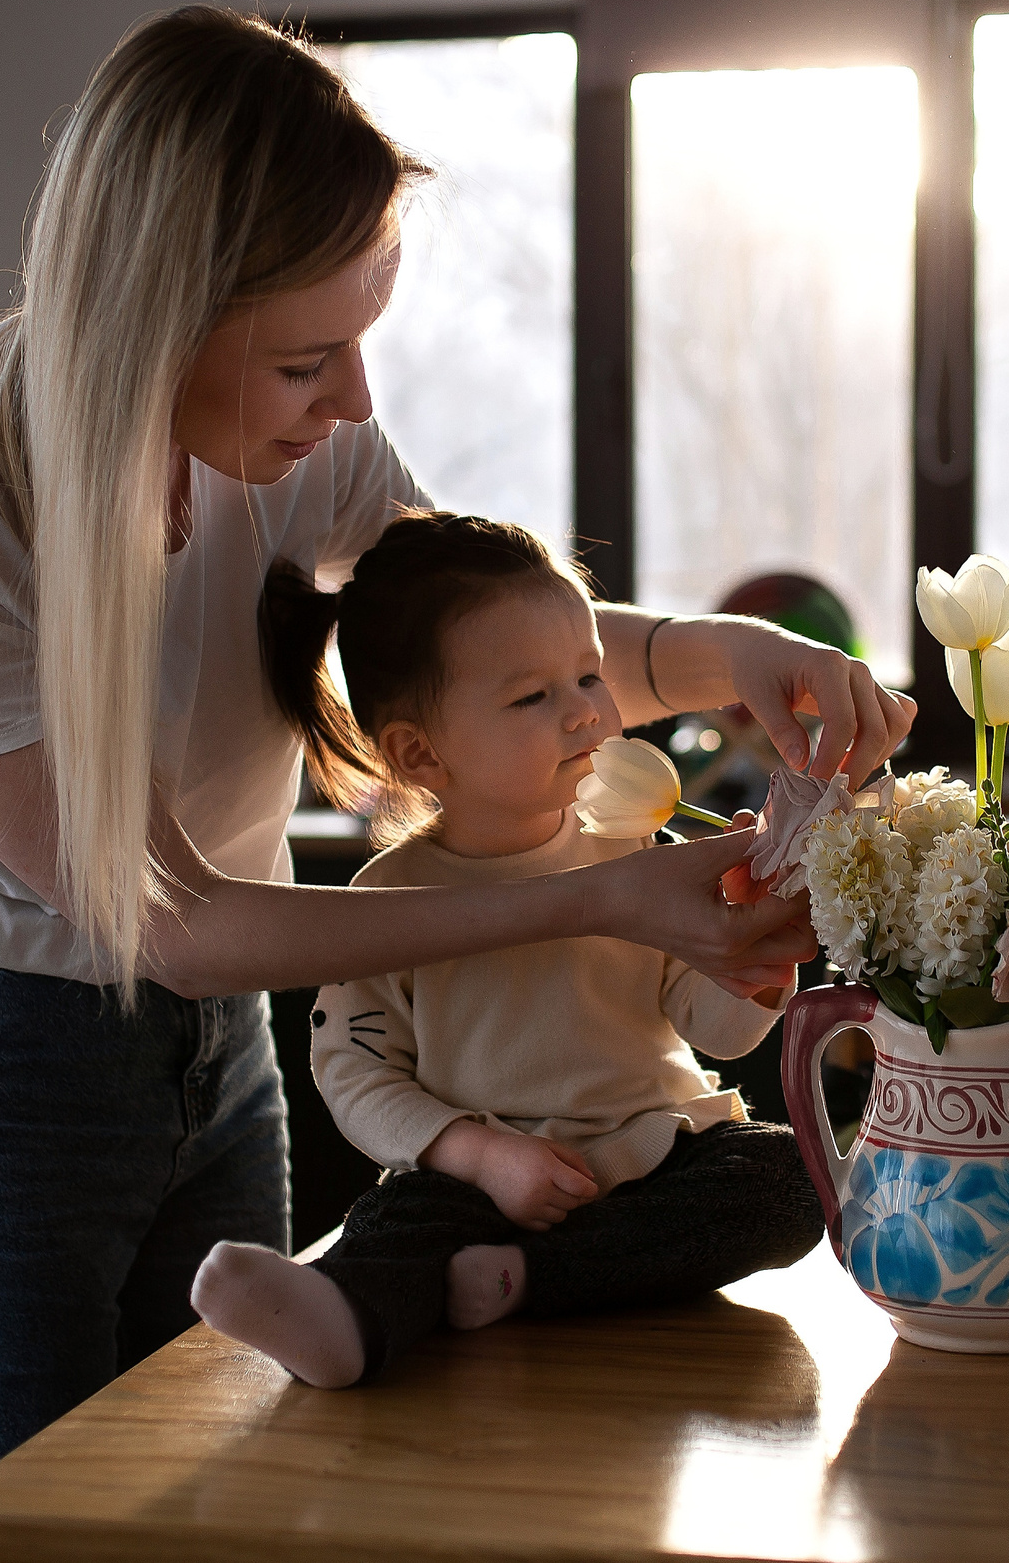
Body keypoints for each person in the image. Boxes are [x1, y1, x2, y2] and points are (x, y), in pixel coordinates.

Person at [0, 5, 911, 1560]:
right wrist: (590, 896)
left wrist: (724, 656)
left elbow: (491, 650)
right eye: (309, 358)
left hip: (215, 1047)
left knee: (227, 1491)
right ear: (152, 317)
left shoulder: (295, 451)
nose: (355, 404)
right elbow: (166, 916)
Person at [191, 513, 828, 1386]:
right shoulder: (382, 904)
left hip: (653, 1153)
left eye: (591, 677)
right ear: (420, 752)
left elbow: (715, 1034)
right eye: (534, 697)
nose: (586, 714)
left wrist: (758, 966)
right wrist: (478, 1155)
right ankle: (345, 1321)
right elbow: (354, 1073)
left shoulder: (635, 849)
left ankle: (524, 1282)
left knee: (789, 1176)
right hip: (477, 1190)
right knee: (394, 1225)